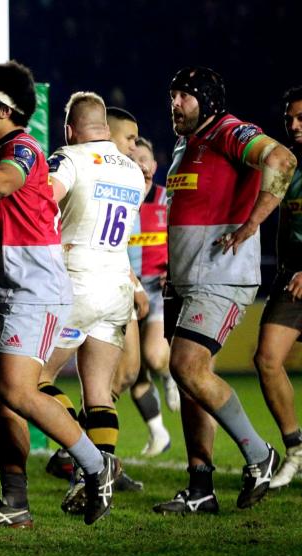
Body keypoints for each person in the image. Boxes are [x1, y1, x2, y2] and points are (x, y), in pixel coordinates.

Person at [0, 61, 120, 528]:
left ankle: (96, 468)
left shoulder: (25, 148)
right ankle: (15, 503)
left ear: (6, 110)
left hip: (34, 290)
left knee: (17, 389)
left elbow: (6, 182)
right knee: (0, 398)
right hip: (4, 288)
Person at [153, 66, 296, 514]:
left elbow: (282, 160)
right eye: (172, 95)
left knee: (189, 366)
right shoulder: (185, 145)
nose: (174, 103)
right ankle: (201, 488)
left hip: (219, 278)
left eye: (184, 96)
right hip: (184, 279)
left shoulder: (229, 130)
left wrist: (253, 222)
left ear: (208, 101)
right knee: (188, 376)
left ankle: (260, 454)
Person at [36, 92, 144, 517]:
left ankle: (90, 463)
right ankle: (96, 482)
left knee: (33, 381)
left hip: (76, 282)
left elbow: (43, 200)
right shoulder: (132, 169)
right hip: (117, 285)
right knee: (99, 392)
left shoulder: (70, 157)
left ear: (70, 129)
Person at [254, 85, 302, 489]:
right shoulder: (287, 163)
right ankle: (296, 450)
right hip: (290, 279)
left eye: (301, 117)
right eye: (289, 118)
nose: (293, 125)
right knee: (267, 359)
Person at [128, 136, 176, 457]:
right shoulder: (122, 200)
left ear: (154, 165)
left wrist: (173, 268)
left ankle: (171, 375)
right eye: (133, 159)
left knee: (155, 356)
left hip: (158, 290)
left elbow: (184, 237)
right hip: (128, 290)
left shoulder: (167, 199)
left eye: (144, 158)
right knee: (133, 371)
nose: (140, 164)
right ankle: (158, 433)